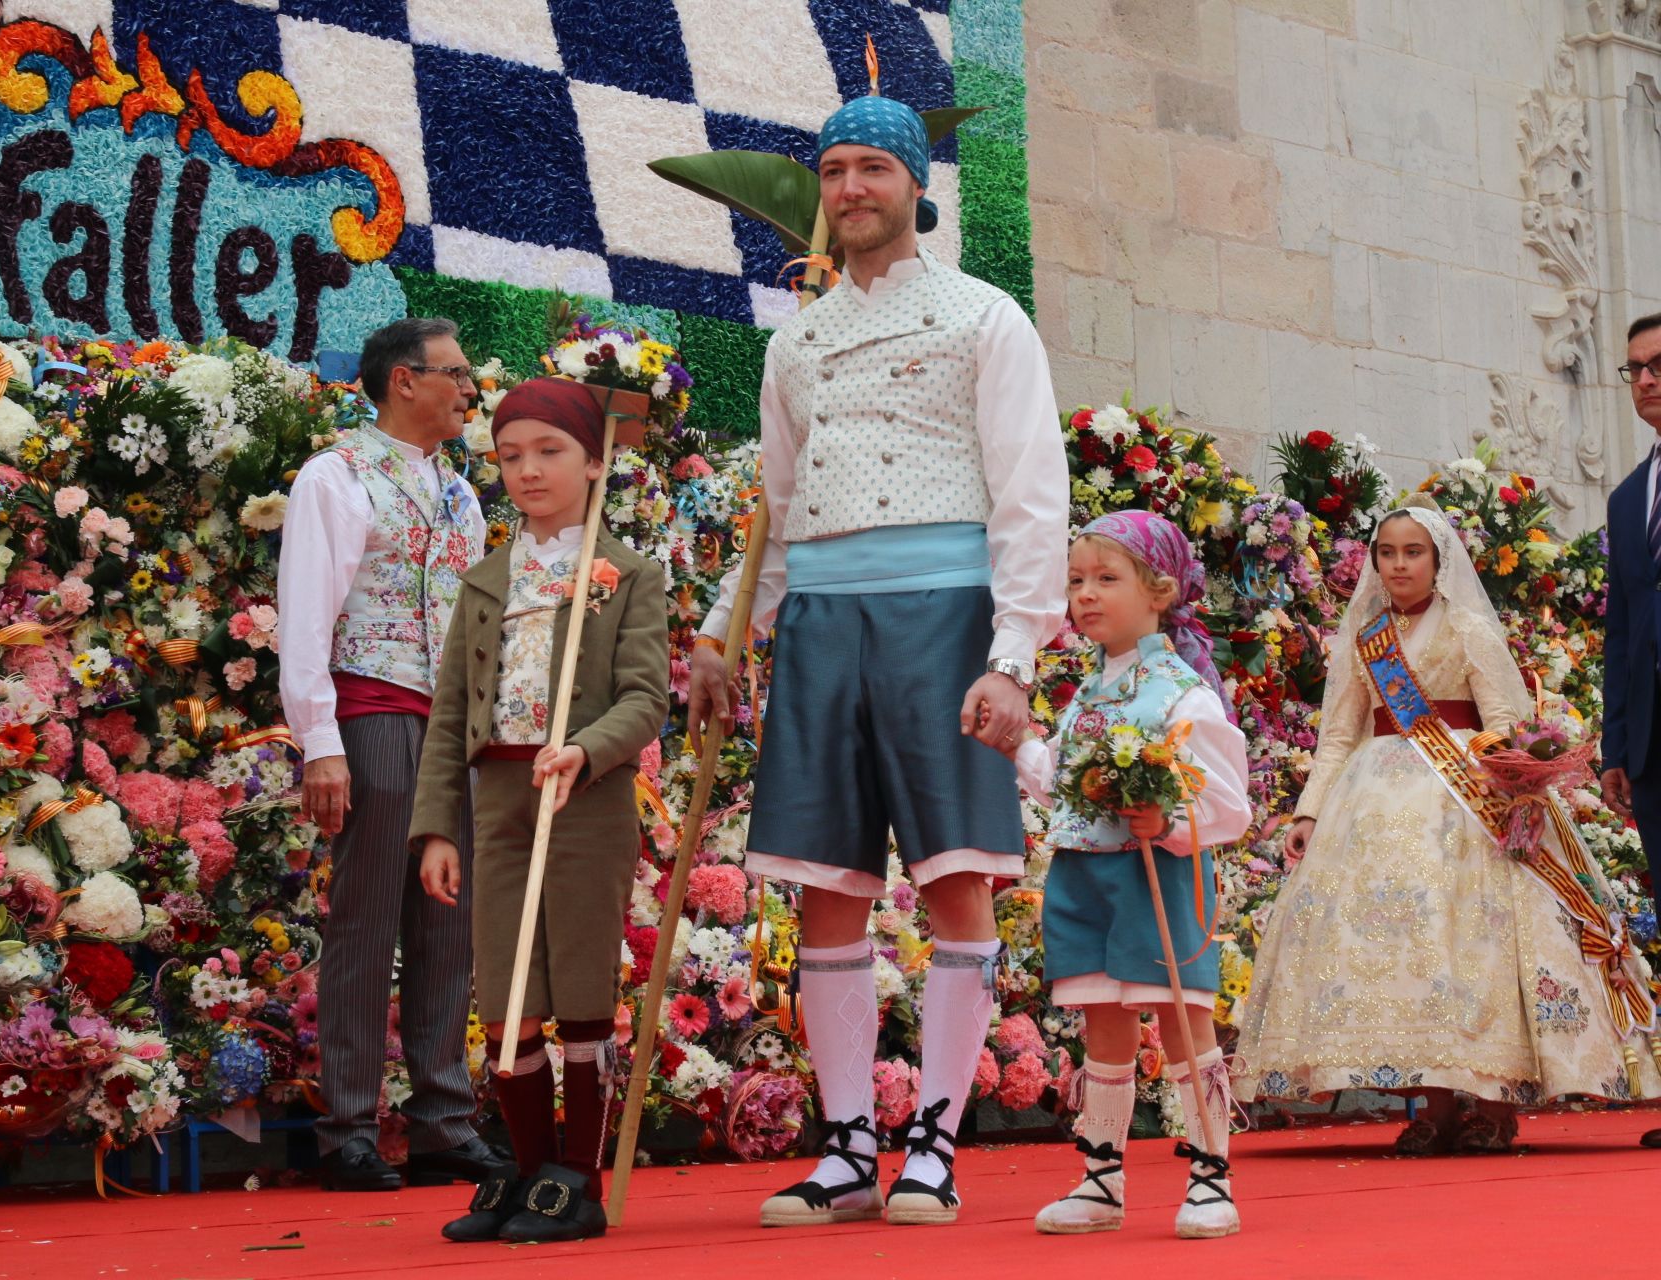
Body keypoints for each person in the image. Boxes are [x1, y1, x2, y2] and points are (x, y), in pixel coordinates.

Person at [688, 93, 1068, 1228]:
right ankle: (850, 1142)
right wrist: (723, 631)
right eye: (835, 169)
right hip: (819, 626)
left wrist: (1014, 655)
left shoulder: (984, 313)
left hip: (943, 617)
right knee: (827, 893)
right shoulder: (793, 337)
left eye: (872, 169)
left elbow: (1030, 493)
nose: (850, 188)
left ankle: (936, 1146)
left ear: (915, 186)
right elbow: (779, 507)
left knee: (955, 879)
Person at [1237, 497, 1661, 1150]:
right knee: (1403, 953)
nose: (1399, 564)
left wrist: (1519, 790)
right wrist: (1310, 811)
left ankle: (1492, 1105)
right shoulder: (1365, 637)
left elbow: (1509, 726)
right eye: (1387, 552)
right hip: (1372, 803)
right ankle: (1431, 1105)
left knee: (1477, 944)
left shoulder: (1468, 629)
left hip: (1470, 800)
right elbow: (1338, 734)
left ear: (1439, 561)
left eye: (1413, 553)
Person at [409, 377, 669, 1244]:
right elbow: (450, 716)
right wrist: (439, 826)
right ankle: (525, 1169)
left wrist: (587, 748)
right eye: (510, 456)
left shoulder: (628, 575)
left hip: (584, 798)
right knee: (505, 990)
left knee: (581, 985)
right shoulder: (485, 580)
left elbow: (646, 699)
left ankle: (577, 1181)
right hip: (501, 799)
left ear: (596, 463)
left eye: (549, 452)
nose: (527, 471)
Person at [277, 317, 500, 1191]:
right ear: (403, 381)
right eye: (455, 374)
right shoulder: (335, 477)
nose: (467, 390)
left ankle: (444, 1118)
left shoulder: (461, 494)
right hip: (369, 707)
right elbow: (306, 617)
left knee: (451, 922)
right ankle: (347, 1127)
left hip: (453, 725)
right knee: (368, 917)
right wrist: (319, 742)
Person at [1016, 512, 1252, 1240]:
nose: (1086, 595)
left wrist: (1172, 823)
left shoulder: (1182, 691)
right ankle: (1101, 1175)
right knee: (1102, 1026)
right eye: (1077, 581)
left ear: (1160, 591)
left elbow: (1229, 803)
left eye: (1106, 579)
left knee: (1183, 1020)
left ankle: (1213, 1173)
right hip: (1084, 878)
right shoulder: (1089, 691)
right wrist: (1016, 741)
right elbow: (1060, 781)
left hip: (1158, 877)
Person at [1602, 312, 1661, 1150]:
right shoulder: (1626, 497)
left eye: (1660, 364)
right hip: (1651, 742)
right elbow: (1619, 630)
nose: (1647, 380)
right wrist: (1614, 748)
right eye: (1636, 370)